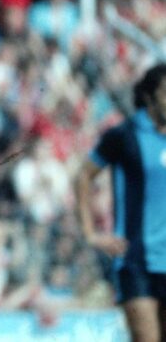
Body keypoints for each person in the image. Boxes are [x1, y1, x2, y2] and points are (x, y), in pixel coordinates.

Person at [75, 63, 166, 342]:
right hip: (136, 261)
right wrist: (91, 234)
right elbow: (84, 176)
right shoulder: (124, 135)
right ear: (150, 96)